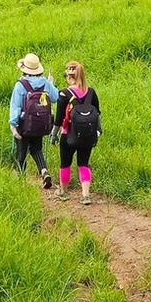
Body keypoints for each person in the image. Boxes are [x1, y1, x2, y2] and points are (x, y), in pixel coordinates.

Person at [52, 61, 101, 205]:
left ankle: (63, 192)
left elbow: (59, 118)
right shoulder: (91, 92)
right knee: (83, 163)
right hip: (88, 134)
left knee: (65, 163)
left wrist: (54, 134)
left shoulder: (64, 94)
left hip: (68, 134)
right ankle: (85, 195)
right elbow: (97, 113)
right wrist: (98, 131)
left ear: (68, 76)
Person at [9, 53, 59, 189]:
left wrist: (13, 125)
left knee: (21, 153)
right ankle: (44, 171)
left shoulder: (20, 85)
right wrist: (50, 83)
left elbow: (16, 106)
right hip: (41, 124)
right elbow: (55, 98)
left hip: (24, 124)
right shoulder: (45, 83)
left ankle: (21, 184)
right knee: (36, 149)